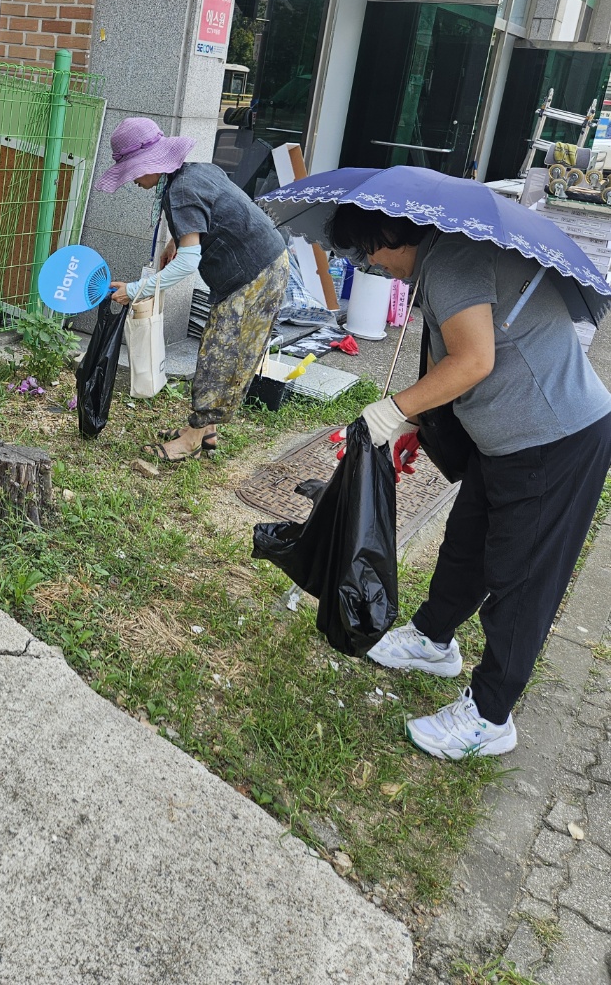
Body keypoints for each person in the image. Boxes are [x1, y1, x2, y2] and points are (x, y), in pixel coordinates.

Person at [331, 204, 611, 761]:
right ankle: (434, 639)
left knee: (521, 576)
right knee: (467, 544)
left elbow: (473, 360)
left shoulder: (454, 260)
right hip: (504, 436)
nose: (371, 265)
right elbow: (444, 353)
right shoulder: (439, 261)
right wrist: (417, 420)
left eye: (367, 251)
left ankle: (489, 716)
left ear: (391, 233)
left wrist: (388, 413)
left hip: (551, 437)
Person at [95, 117, 289, 462]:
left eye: (134, 172)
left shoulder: (180, 191)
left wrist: (138, 289)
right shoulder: (197, 171)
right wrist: (175, 240)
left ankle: (193, 439)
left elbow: (187, 264)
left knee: (219, 352)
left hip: (255, 273)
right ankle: (206, 431)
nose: (134, 181)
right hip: (265, 262)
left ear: (154, 163)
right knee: (223, 347)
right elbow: (212, 214)